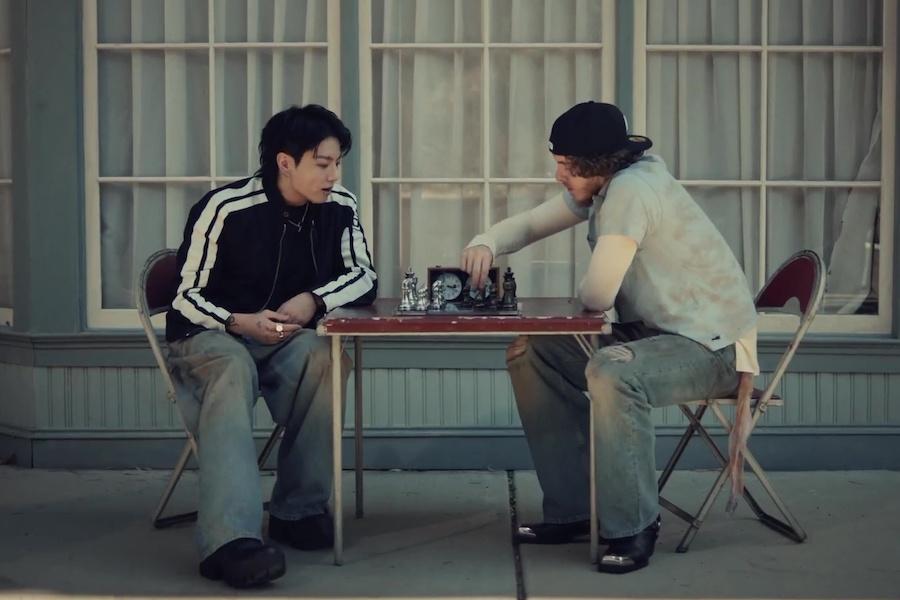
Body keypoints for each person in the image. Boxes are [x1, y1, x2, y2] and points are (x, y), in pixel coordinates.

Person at [461, 101, 758, 574]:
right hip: (653, 334)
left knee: (613, 373)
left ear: (596, 164)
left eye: (565, 165)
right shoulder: (605, 184)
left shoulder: (632, 190)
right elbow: (535, 222)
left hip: (712, 346)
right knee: (531, 350)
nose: (558, 175)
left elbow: (597, 294)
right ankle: (575, 511)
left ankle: (634, 525)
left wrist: (589, 282)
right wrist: (487, 242)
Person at [165, 104, 377, 588]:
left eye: (338, 163)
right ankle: (229, 542)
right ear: (285, 162)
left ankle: (298, 511)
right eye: (322, 164)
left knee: (325, 359)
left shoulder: (340, 206)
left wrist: (313, 300)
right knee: (232, 367)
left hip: (283, 339)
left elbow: (364, 276)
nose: (333, 175)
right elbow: (183, 296)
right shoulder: (225, 208)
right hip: (210, 336)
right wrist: (236, 321)